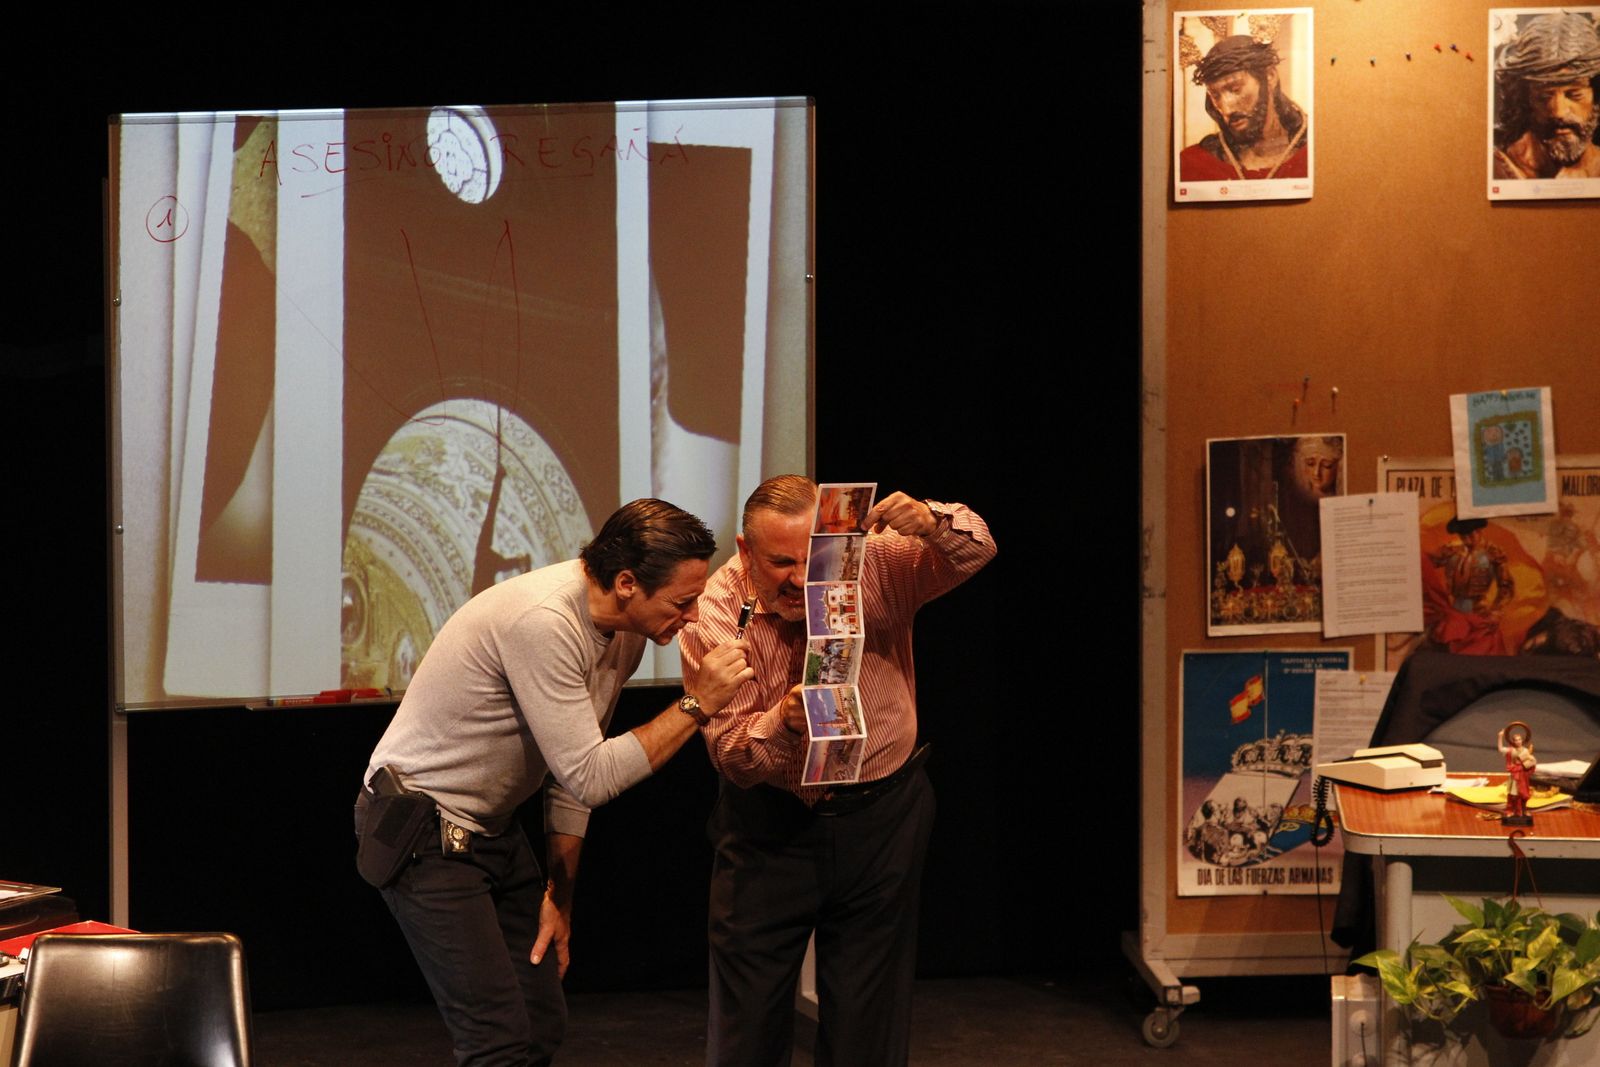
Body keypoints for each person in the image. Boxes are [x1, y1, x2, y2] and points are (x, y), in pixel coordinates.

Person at [355, 498, 754, 1067]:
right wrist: (697, 705)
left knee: (541, 1021)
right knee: (497, 1040)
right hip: (423, 831)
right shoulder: (543, 623)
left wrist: (558, 897)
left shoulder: (629, 634)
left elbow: (570, 775)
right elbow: (592, 776)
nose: (693, 617)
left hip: (490, 831)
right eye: (683, 602)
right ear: (625, 583)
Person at [679, 476, 996, 1066]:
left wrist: (930, 520)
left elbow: (979, 548)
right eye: (780, 563)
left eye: (814, 558)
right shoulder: (715, 611)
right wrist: (782, 722)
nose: (801, 579)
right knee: (745, 1030)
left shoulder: (870, 563)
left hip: (882, 816)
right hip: (768, 826)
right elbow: (730, 757)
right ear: (746, 552)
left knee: (866, 1028)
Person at [1179, 34, 1310, 181]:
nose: (1227, 110)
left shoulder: (1315, 148)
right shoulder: (1194, 163)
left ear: (1270, 76)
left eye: (1235, 89)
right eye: (1215, 96)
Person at [1492, 11, 1600, 181]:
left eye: (1574, 95)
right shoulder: (1501, 166)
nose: (1558, 112)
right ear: (1525, 98)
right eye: (1544, 97)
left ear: (1596, 97)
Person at [1425, 516, 1515, 655]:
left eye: (1470, 534)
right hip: (1454, 612)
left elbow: (1506, 587)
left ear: (1479, 531)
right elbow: (1425, 565)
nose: (1466, 539)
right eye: (1462, 535)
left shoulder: (1493, 552)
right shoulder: (1451, 551)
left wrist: (1496, 612)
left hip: (1481, 613)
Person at [1499, 722, 1536, 824]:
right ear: (1513, 741)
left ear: (1522, 740)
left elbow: (1532, 761)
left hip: (1523, 776)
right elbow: (1501, 749)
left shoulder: (1525, 750)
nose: (1518, 741)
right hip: (1514, 775)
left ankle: (1523, 810)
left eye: (1520, 739)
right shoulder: (1511, 750)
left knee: (1524, 794)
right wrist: (1500, 737)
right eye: (1516, 740)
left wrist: (1526, 763)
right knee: (1514, 794)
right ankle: (1512, 810)